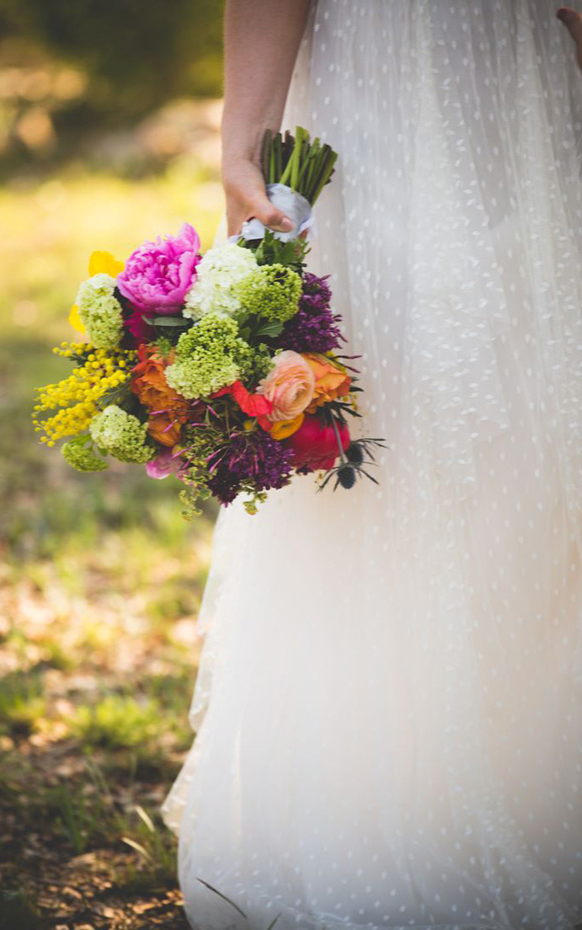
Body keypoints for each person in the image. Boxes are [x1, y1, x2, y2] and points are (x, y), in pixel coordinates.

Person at [162, 2, 582, 928]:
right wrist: (242, 140)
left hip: (537, 126)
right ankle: (376, 808)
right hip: (365, 130)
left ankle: (535, 786)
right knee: (381, 457)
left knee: (542, 464)